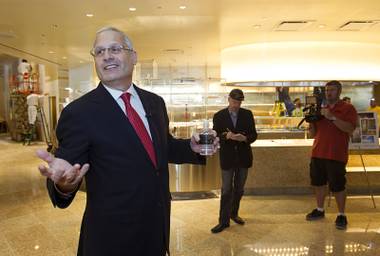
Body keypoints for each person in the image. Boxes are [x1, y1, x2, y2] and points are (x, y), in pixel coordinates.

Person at [36, 27, 219, 256]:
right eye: (99, 51)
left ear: (134, 56)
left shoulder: (155, 103)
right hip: (111, 239)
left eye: (115, 49)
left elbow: (159, 147)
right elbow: (66, 171)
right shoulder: (79, 113)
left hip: (156, 229)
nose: (107, 56)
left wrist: (190, 148)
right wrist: (64, 184)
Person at [306, 80, 357, 230]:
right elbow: (313, 134)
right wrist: (312, 121)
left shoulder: (348, 108)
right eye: (327, 90)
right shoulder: (320, 108)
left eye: (332, 90)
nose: (329, 93)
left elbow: (349, 129)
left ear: (339, 92)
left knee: (338, 186)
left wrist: (332, 117)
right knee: (318, 183)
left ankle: (341, 214)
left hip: (336, 154)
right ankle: (320, 210)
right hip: (317, 152)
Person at [211, 88, 257, 233]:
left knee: (239, 189)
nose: (236, 105)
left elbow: (254, 135)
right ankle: (223, 221)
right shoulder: (219, 116)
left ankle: (234, 213)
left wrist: (245, 138)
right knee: (226, 190)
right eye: (234, 101)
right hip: (228, 158)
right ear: (229, 99)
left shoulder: (247, 114)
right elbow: (215, 135)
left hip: (243, 157)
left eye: (239, 102)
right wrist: (226, 136)